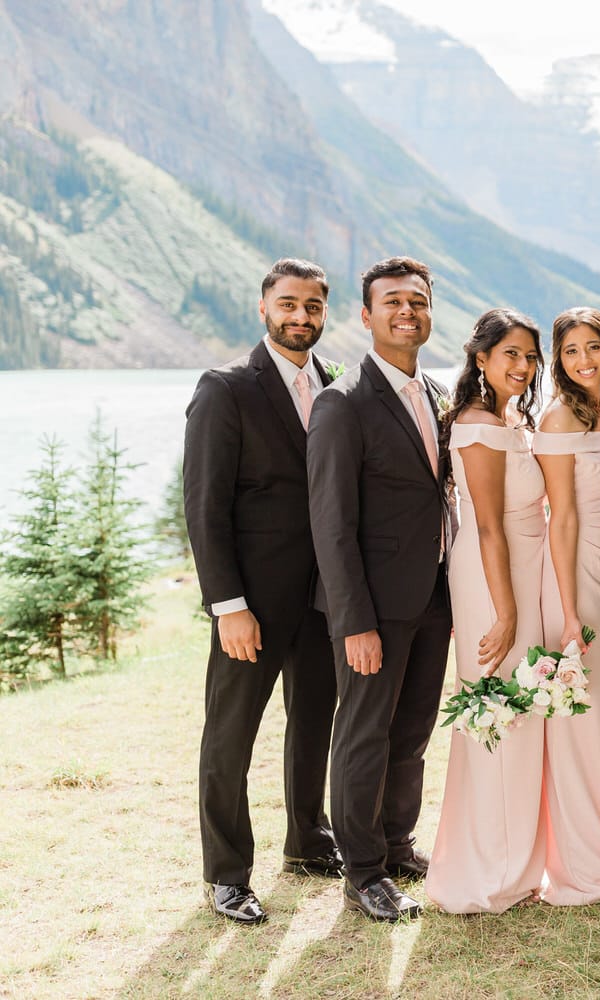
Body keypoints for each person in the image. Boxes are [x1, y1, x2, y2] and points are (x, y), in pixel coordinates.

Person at [183, 258, 342, 924]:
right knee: (231, 737)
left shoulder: (337, 386)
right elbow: (204, 505)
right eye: (288, 304)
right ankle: (226, 874)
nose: (300, 316)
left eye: (311, 306)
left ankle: (307, 841)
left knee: (312, 725)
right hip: (252, 602)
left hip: (323, 599)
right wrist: (228, 605)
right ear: (263, 307)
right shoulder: (225, 389)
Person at [307, 257, 452, 922]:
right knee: (365, 733)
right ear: (365, 316)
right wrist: (353, 620)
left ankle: (397, 845)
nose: (406, 312)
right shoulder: (341, 403)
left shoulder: (437, 393)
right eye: (392, 301)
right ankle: (362, 870)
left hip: (434, 598)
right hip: (372, 607)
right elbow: (332, 526)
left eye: (417, 301)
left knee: (414, 732)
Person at [426, 309, 551, 914]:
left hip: (528, 570)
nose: (523, 367)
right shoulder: (477, 425)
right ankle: (486, 868)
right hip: (492, 576)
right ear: (481, 358)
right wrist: (504, 612)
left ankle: (521, 862)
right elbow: (489, 528)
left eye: (530, 357)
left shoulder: (517, 420)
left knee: (526, 709)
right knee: (498, 711)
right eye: (510, 355)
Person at [534, 307, 600, 905]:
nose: (584, 361)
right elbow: (561, 519)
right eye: (571, 351)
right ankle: (582, 860)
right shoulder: (558, 418)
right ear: (559, 359)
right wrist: (570, 613)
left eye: (593, 347)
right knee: (583, 716)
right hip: (583, 575)